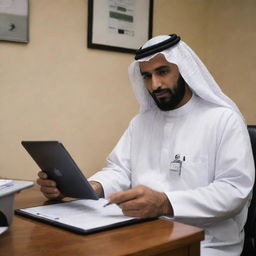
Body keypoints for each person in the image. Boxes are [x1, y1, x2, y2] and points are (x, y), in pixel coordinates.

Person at [37, 34, 255, 256]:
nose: (155, 84)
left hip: (205, 241)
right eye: (147, 76)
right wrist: (91, 187)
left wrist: (165, 203)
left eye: (162, 72)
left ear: (183, 69)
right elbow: (119, 170)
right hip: (143, 230)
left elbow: (233, 191)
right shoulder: (141, 122)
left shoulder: (223, 120)